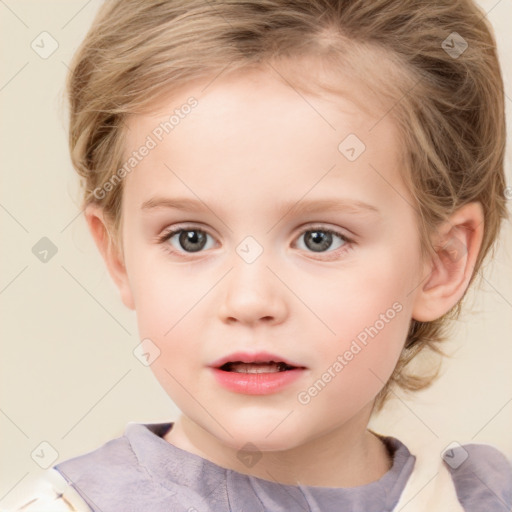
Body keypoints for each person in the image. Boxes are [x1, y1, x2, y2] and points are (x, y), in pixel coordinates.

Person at [7, 0, 512, 510]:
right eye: (191, 238)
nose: (249, 300)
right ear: (119, 257)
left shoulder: (482, 497)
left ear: (441, 262)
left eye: (320, 238)